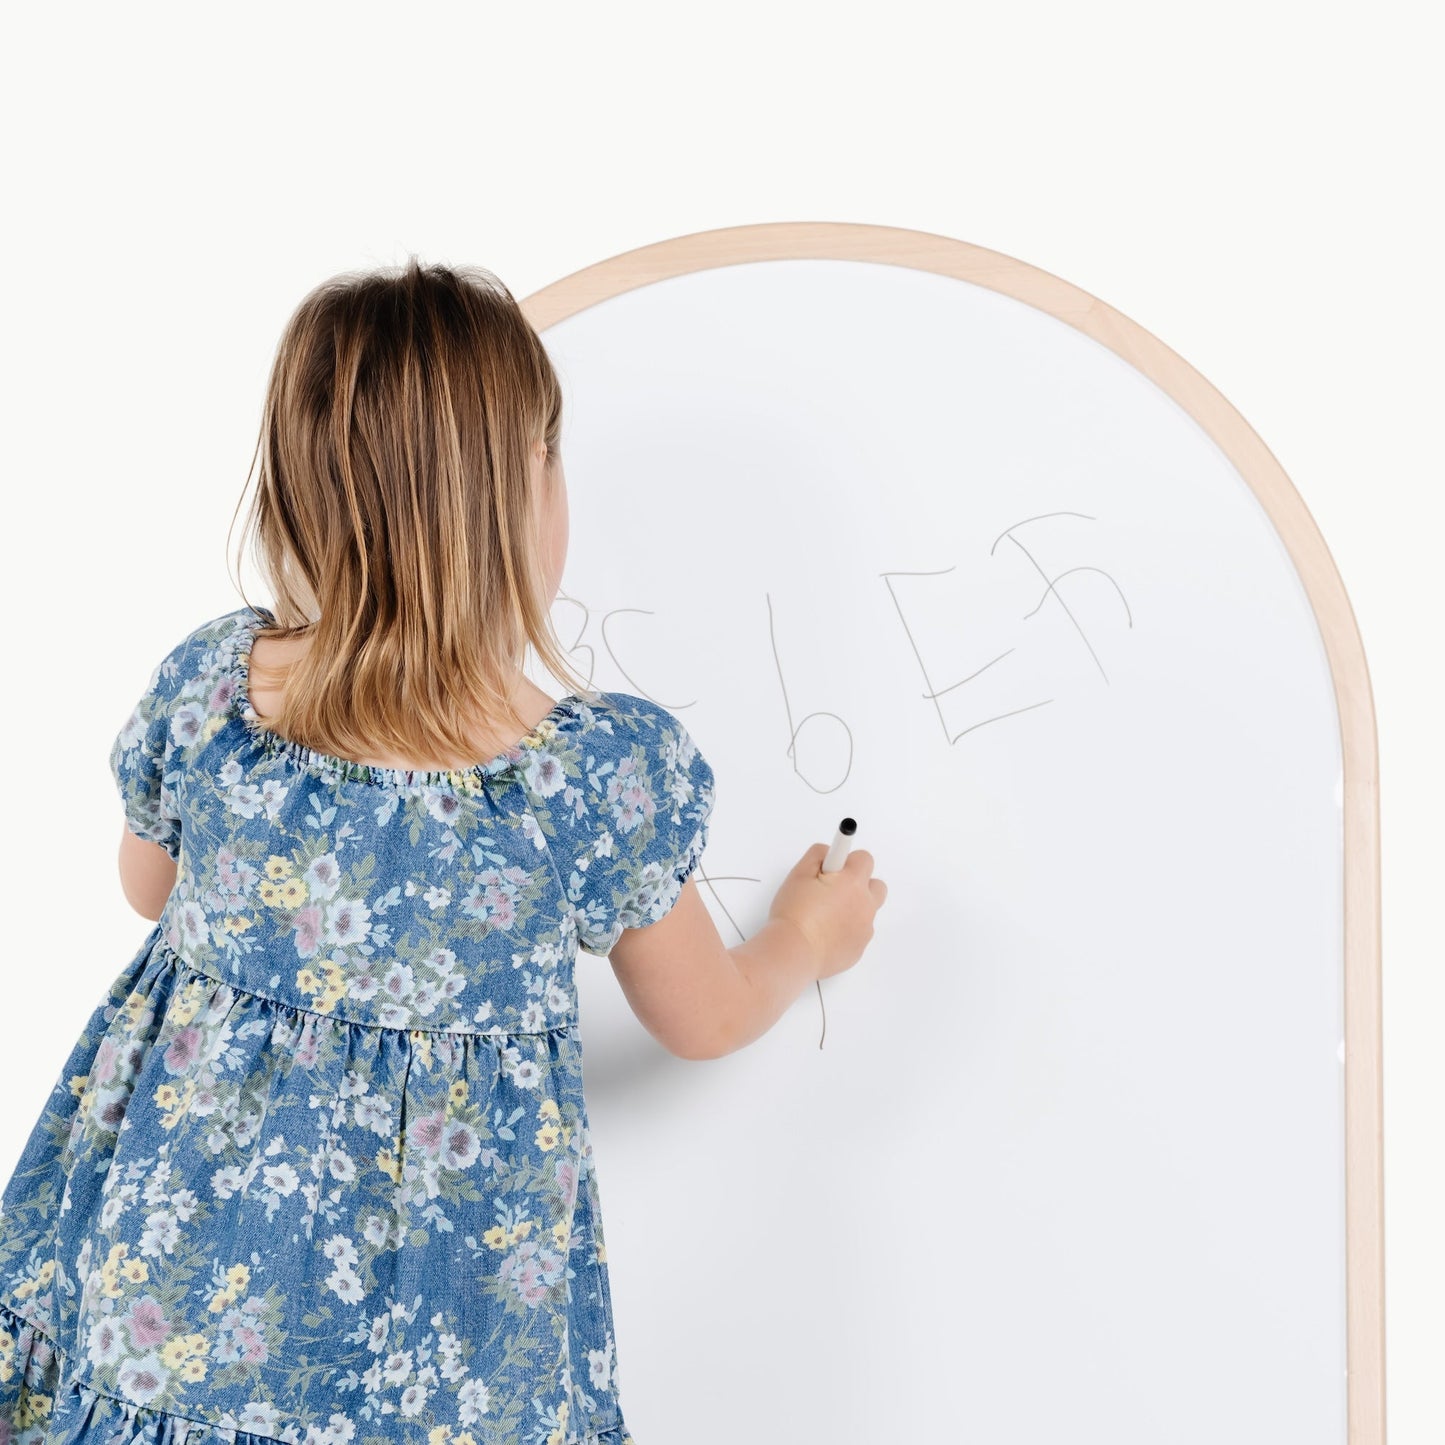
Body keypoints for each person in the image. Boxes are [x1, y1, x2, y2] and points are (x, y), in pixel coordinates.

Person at [0, 259, 887, 1445]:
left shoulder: (216, 690)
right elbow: (703, 1016)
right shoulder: (582, 779)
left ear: (298, 491)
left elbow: (142, 885)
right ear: (526, 489)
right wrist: (800, 940)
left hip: (158, 1297)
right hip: (428, 1361)